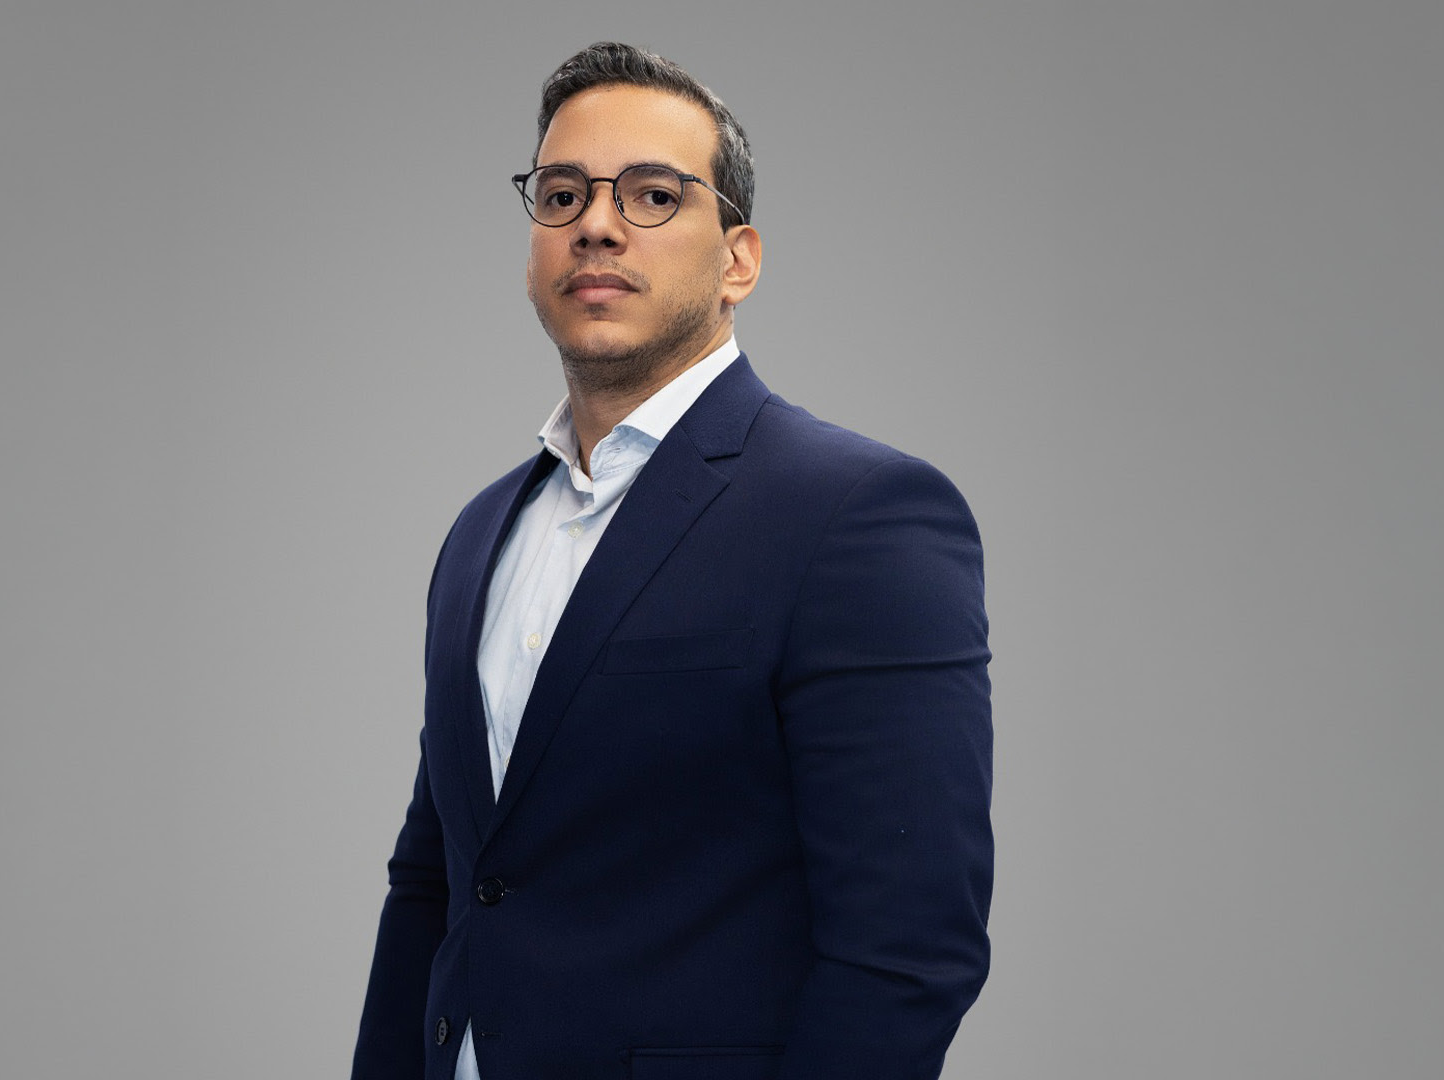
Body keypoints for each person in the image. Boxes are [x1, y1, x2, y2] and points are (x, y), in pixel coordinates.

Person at [350, 42, 992, 1080]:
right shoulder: (479, 535)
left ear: (739, 260)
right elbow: (437, 886)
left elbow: (909, 953)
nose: (595, 224)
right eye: (562, 195)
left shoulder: (859, 517)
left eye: (653, 195)